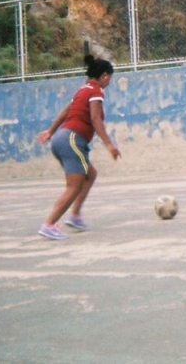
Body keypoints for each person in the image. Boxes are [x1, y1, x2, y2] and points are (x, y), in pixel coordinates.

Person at [36, 54, 121, 240]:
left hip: (61, 139)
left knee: (90, 174)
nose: (109, 82)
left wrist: (51, 132)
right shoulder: (96, 91)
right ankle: (49, 225)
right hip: (72, 140)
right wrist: (109, 144)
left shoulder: (82, 90)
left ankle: (74, 216)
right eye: (109, 78)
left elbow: (65, 112)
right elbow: (95, 118)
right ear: (105, 76)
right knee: (74, 186)